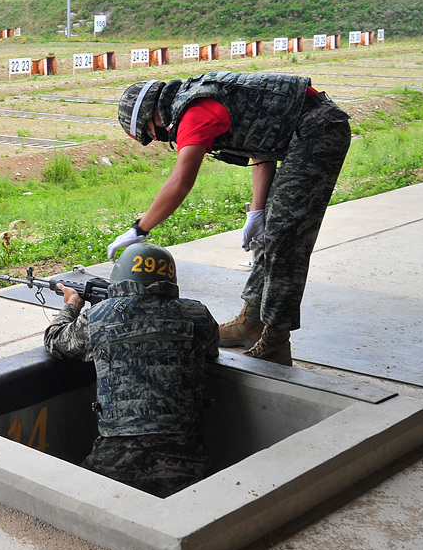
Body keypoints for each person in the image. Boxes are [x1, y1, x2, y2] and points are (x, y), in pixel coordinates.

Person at [110, 71, 352, 365]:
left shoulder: (194, 114)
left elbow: (180, 182)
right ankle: (251, 322)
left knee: (286, 238)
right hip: (300, 132)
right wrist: (257, 211)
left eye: (149, 133)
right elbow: (261, 148)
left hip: (319, 130)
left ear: (152, 116)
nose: (157, 138)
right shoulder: (194, 100)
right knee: (269, 234)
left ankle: (276, 340)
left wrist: (140, 228)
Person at [44, 242, 219, 498]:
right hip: (187, 459)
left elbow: (55, 339)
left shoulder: (97, 318)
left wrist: (71, 305)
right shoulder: (198, 314)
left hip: (115, 458)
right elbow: (211, 349)